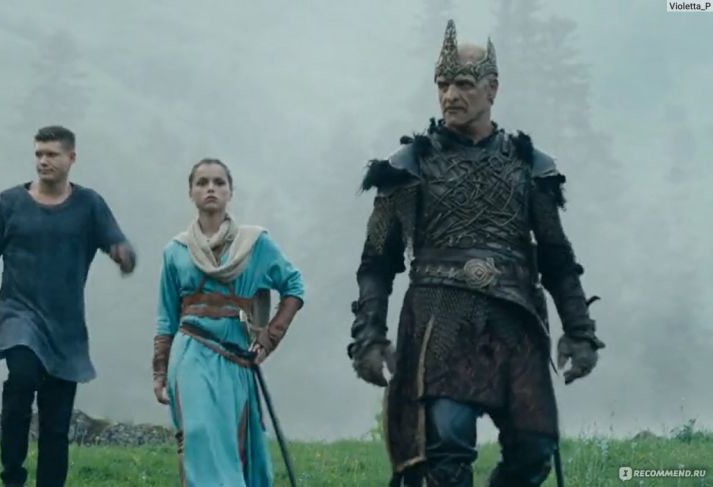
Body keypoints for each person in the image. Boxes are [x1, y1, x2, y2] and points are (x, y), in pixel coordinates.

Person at [347, 20, 606, 487]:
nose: (450, 95)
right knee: (445, 451)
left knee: (534, 449)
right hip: (439, 319)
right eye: (442, 85)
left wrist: (580, 331)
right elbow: (377, 264)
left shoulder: (529, 165)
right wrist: (369, 335)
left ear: (492, 88)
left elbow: (557, 259)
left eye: (464, 84)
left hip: (514, 318)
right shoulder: (409, 167)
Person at [0, 125, 137, 487]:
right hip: (18, 317)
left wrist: (124, 255)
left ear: (71, 158)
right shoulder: (8, 204)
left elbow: (116, 240)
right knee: (21, 381)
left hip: (66, 329)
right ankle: (12, 475)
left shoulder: (89, 205)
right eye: (38, 153)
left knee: (56, 423)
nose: (43, 161)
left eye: (52, 154)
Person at [151, 158, 304, 486]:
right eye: (202, 182)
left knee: (234, 446)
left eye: (219, 182)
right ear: (191, 192)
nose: (211, 188)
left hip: (236, 360)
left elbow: (294, 286)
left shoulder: (256, 244)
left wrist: (269, 337)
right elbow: (166, 315)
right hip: (191, 352)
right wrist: (159, 371)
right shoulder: (175, 251)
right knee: (199, 434)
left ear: (230, 191)